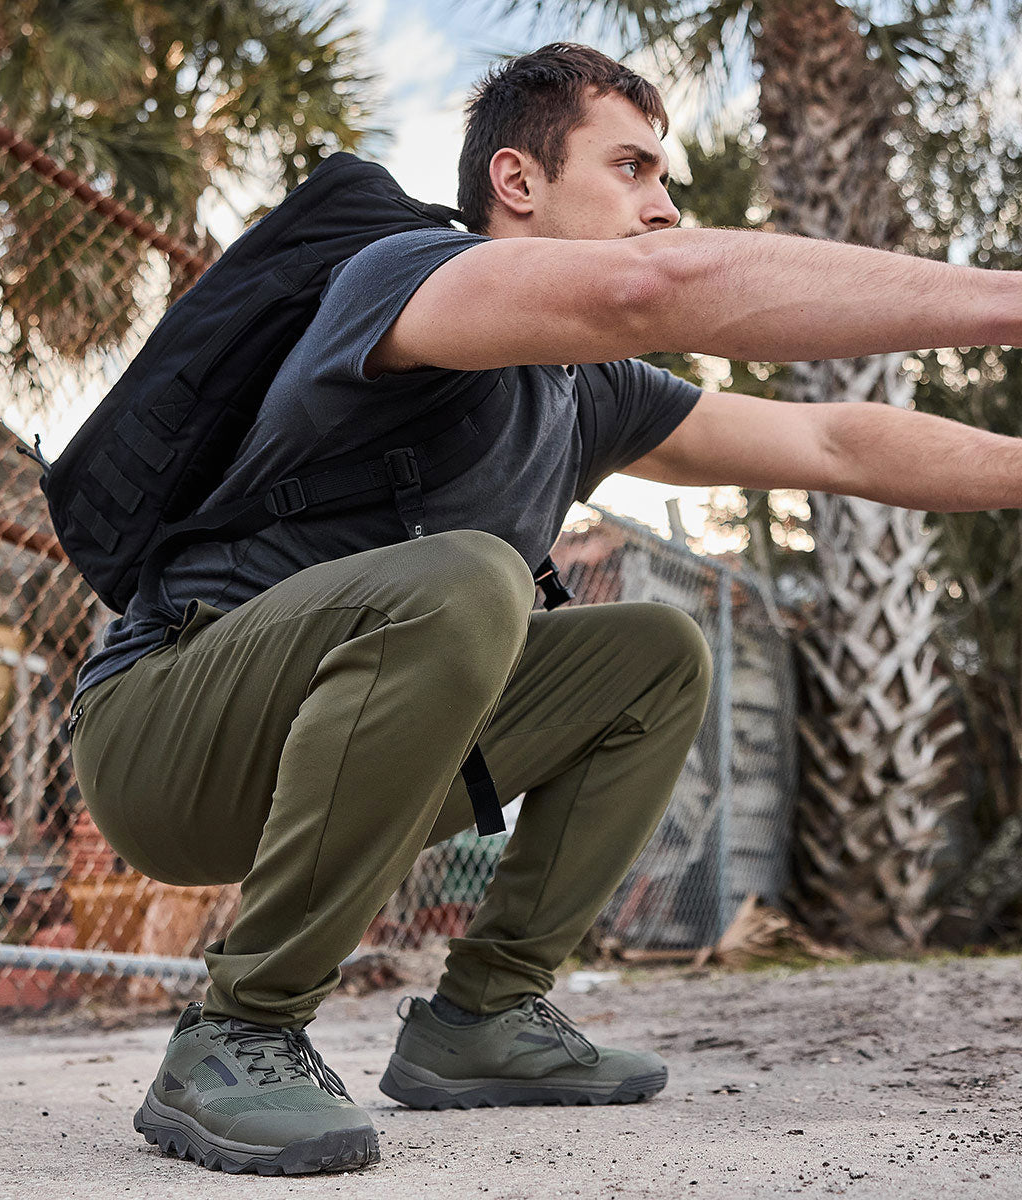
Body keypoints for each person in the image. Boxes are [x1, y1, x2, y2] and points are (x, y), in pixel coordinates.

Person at [67, 42, 1022, 1176]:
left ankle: (487, 1018)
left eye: (667, 181)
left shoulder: (587, 391)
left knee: (654, 652)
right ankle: (239, 1032)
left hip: (334, 746)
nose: (664, 209)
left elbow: (832, 439)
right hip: (166, 733)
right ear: (518, 182)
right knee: (473, 578)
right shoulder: (405, 274)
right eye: (632, 169)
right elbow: (653, 289)